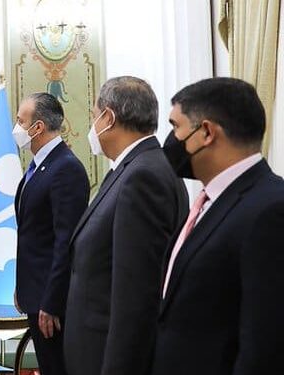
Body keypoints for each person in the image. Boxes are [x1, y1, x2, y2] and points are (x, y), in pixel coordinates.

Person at [152, 77, 284, 375]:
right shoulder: (207, 202)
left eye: (176, 126)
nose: (171, 139)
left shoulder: (270, 209)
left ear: (207, 132)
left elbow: (266, 343)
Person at [63, 76, 189, 375]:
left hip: (106, 355)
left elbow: (136, 293)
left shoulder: (143, 176)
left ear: (108, 118)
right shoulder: (135, 168)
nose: (92, 126)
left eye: (94, 117)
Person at [12, 93, 89, 375]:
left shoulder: (65, 168)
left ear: (38, 127)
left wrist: (51, 301)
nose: (17, 127)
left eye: (21, 120)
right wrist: (23, 286)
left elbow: (65, 242)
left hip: (52, 300)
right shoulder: (39, 166)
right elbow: (32, 233)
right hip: (35, 290)